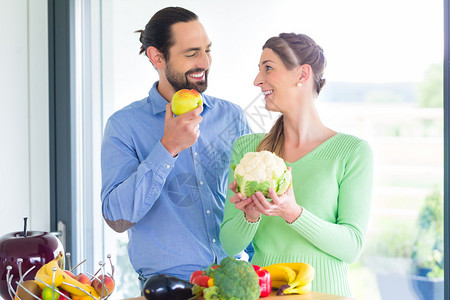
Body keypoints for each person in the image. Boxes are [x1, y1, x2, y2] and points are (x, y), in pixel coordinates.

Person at [100, 7, 251, 288]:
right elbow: (117, 219)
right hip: (168, 289)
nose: (205, 62)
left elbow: (248, 204)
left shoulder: (231, 117)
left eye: (207, 50)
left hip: (235, 282)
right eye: (192, 53)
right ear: (157, 57)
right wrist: (168, 147)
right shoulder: (124, 126)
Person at [219, 33, 373, 297]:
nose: (257, 80)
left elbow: (351, 247)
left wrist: (294, 213)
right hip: (262, 293)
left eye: (268, 68)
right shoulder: (249, 150)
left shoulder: (352, 152)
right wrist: (250, 216)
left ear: (302, 75)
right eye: (259, 70)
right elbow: (230, 244)